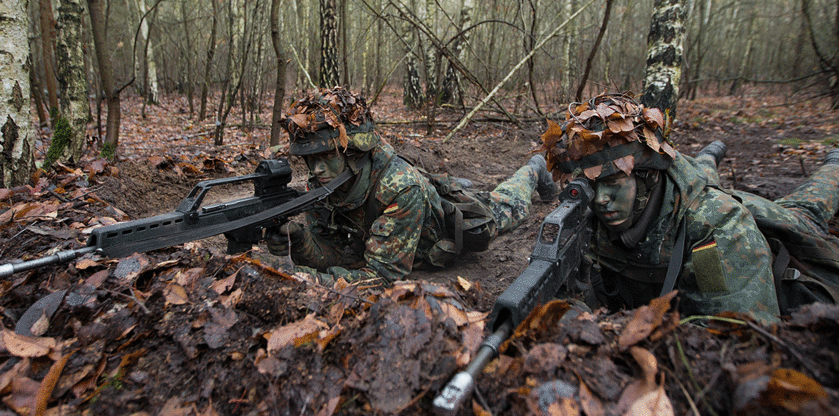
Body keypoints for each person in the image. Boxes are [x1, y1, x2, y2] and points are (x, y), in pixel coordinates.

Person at [539, 92, 839, 324]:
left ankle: (834, 164)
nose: (601, 199)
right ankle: (709, 155)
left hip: (749, 214)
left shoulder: (718, 228)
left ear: (648, 176)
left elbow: (734, 339)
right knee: (702, 168)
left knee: (807, 208)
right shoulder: (590, 210)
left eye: (615, 182)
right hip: (680, 190)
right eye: (593, 185)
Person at [264, 86, 556, 286]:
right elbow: (334, 253)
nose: (316, 169)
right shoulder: (321, 186)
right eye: (309, 159)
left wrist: (301, 279)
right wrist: (301, 242)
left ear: (354, 153)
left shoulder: (400, 188)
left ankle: (533, 169)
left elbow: (382, 277)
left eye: (327, 156)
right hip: (406, 212)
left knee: (507, 204)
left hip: (450, 229)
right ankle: (452, 185)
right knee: (439, 186)